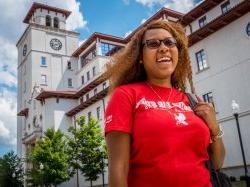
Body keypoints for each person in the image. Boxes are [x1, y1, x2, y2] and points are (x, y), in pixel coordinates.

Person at [104, 20, 225, 187]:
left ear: (178, 51)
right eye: (153, 44)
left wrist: (215, 128)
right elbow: (118, 167)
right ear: (140, 56)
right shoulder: (125, 95)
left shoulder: (192, 101)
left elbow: (217, 163)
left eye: (169, 42)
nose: (163, 48)